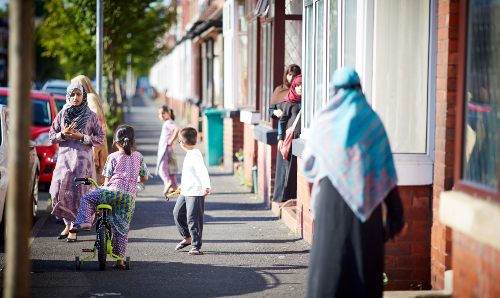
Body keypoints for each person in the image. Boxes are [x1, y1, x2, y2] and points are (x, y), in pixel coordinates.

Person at [303, 68, 405, 298]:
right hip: (366, 210)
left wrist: (316, 203)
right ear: (360, 89)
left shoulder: (323, 120)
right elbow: (386, 173)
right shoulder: (372, 122)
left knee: (329, 269)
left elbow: (309, 167)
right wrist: (396, 217)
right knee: (364, 273)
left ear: (334, 91)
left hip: (331, 205)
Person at [70, 125, 149, 269]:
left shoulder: (113, 157)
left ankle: (86, 222)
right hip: (129, 197)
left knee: (87, 199)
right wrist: (133, 180)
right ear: (132, 141)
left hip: (112, 191)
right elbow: (143, 177)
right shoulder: (139, 156)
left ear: (115, 141)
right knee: (121, 230)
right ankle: (120, 260)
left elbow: (106, 182)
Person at [49, 82, 105, 242]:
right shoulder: (62, 114)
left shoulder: (90, 115)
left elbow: (100, 138)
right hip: (64, 161)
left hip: (83, 163)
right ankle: (67, 224)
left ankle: (73, 228)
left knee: (78, 196)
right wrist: (62, 134)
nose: (75, 97)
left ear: (83, 95)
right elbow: (51, 136)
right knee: (57, 192)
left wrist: (82, 137)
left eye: (78, 94)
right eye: (72, 94)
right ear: (68, 96)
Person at [172, 127, 211, 255]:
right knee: (177, 213)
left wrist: (206, 186)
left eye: (179, 141)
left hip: (196, 192)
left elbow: (202, 171)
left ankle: (195, 246)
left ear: (182, 142)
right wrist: (181, 187)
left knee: (193, 218)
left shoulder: (195, 154)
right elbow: (190, 175)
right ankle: (187, 237)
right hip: (186, 191)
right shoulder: (190, 154)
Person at [70, 75, 108, 184]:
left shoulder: (90, 98)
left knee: (91, 185)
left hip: (92, 148)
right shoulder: (88, 98)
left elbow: (94, 117)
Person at [274, 75, 302, 202]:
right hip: (291, 139)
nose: (300, 88)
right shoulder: (289, 102)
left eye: (302, 85)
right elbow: (282, 120)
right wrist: (280, 138)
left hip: (301, 139)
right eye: (297, 85)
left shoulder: (309, 101)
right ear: (294, 87)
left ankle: (295, 195)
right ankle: (285, 196)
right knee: (288, 168)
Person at [155, 104, 179, 197]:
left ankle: (167, 182)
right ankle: (175, 187)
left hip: (165, 150)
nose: (161, 115)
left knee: (161, 169)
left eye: (162, 113)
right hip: (168, 149)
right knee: (170, 170)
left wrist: (171, 140)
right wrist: (172, 140)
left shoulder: (168, 122)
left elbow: (177, 130)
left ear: (168, 113)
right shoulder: (169, 122)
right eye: (159, 114)